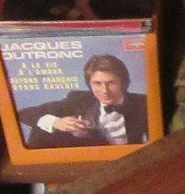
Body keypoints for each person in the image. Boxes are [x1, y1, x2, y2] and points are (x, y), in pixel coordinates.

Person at [17, 54, 149, 148]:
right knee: (42, 126)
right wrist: (57, 122)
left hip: (132, 161)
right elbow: (25, 113)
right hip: (92, 162)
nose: (105, 91)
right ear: (89, 84)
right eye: (97, 83)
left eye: (111, 83)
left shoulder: (143, 102)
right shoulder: (79, 99)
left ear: (123, 82)